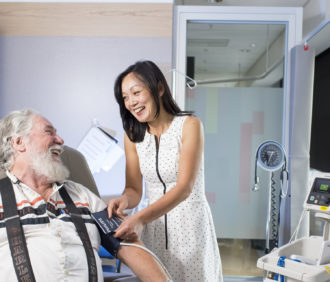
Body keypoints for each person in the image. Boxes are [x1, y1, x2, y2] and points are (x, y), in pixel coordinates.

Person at [0, 109, 169, 282]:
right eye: (48, 132)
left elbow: (128, 246)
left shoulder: (82, 196)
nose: (60, 140)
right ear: (19, 142)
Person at [108, 60, 222, 281]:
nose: (131, 102)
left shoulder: (190, 126)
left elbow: (184, 188)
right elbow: (134, 189)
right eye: (125, 97)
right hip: (156, 230)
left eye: (136, 92)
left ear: (159, 88)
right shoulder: (132, 135)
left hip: (190, 228)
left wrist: (139, 219)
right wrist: (123, 200)